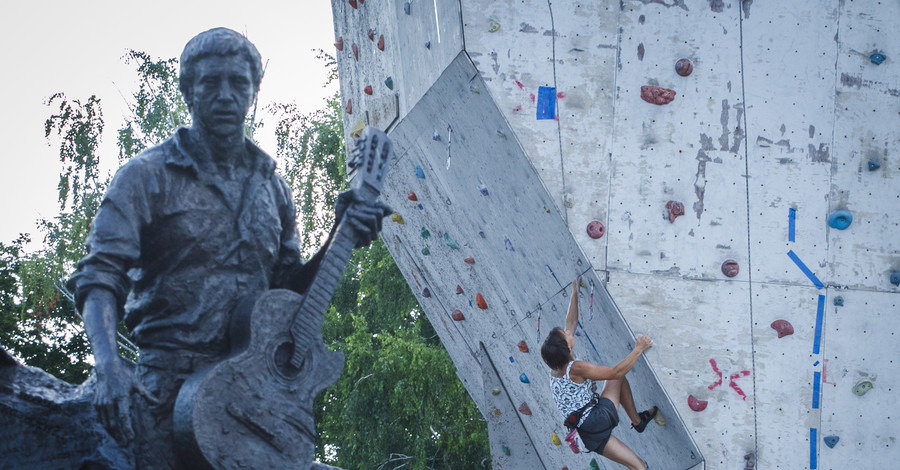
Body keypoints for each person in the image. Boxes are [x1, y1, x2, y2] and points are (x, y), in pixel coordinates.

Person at [67, 27, 390, 469]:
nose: (224, 95)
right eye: (210, 82)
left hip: (254, 402)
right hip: (164, 395)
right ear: (188, 91)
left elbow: (287, 297)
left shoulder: (273, 189)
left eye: (238, 83)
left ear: (254, 91)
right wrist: (108, 366)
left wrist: (340, 233)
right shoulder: (146, 176)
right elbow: (99, 275)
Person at [541, 278, 657, 470]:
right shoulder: (575, 368)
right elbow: (615, 372)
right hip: (596, 418)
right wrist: (638, 348)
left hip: (584, 434)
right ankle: (637, 420)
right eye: (566, 335)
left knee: (639, 467)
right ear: (567, 347)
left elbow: (570, 323)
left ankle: (639, 423)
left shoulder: (555, 369)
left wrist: (575, 294)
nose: (569, 332)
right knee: (617, 376)